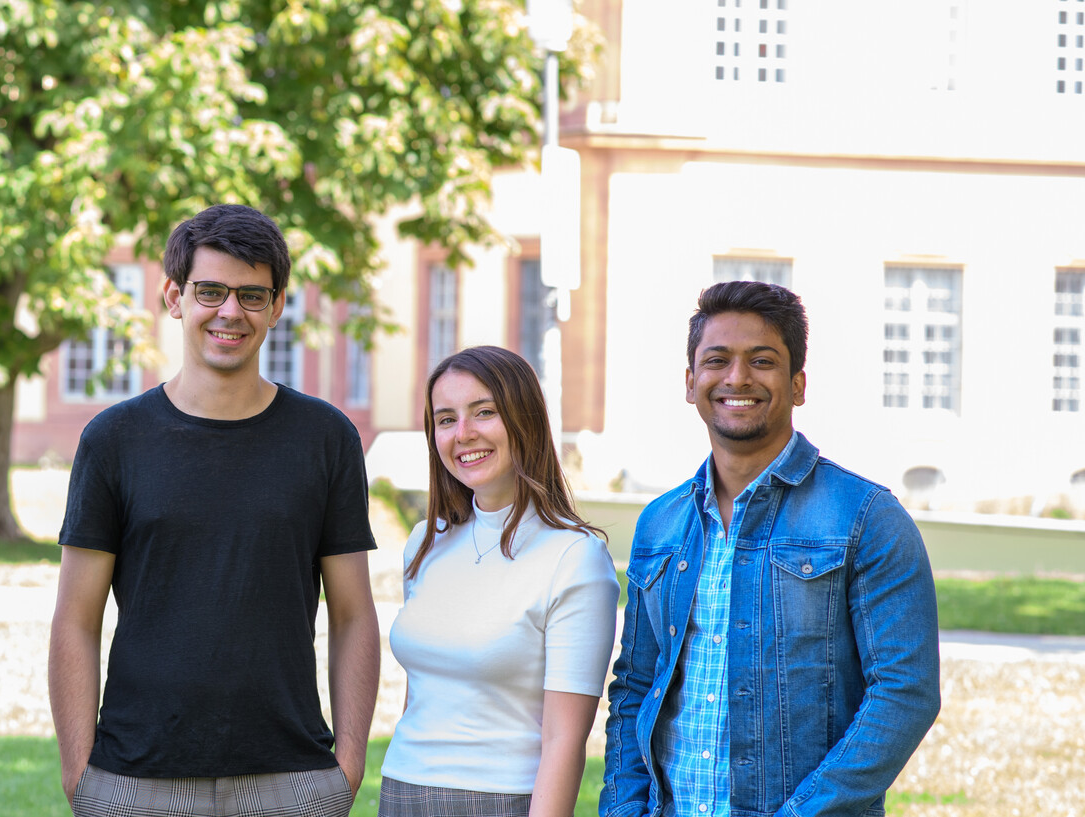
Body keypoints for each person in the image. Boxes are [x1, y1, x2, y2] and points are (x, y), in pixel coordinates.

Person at [48, 203, 380, 817]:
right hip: (134, 780)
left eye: (253, 295)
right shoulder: (113, 440)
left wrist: (348, 766)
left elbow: (355, 614)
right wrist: (80, 775)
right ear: (174, 297)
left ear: (278, 306)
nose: (231, 312)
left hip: (292, 779)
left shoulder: (326, 438)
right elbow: (75, 618)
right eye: (210, 291)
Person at [600, 281, 941, 817]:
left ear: (798, 383)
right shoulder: (660, 524)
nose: (737, 377)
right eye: (717, 360)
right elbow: (635, 688)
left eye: (762, 360)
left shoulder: (867, 518)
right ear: (690, 383)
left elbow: (904, 695)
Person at [380, 346, 619, 817]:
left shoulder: (574, 558)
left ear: (524, 419)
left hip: (502, 800)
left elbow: (564, 740)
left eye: (484, 412)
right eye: (445, 419)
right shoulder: (426, 543)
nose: (463, 434)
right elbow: (423, 689)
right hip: (400, 790)